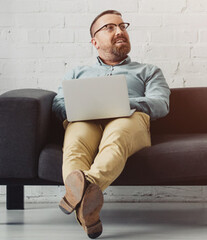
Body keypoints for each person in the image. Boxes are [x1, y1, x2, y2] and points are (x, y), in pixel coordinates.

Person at [51, 10, 170, 238]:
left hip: (129, 120)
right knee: (74, 144)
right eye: (110, 27)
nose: (119, 31)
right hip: (85, 119)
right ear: (95, 41)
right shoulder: (77, 72)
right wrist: (79, 108)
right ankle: (87, 210)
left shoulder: (149, 71)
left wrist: (121, 104)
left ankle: (82, 187)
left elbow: (160, 103)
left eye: (122, 26)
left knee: (117, 136)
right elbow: (58, 104)